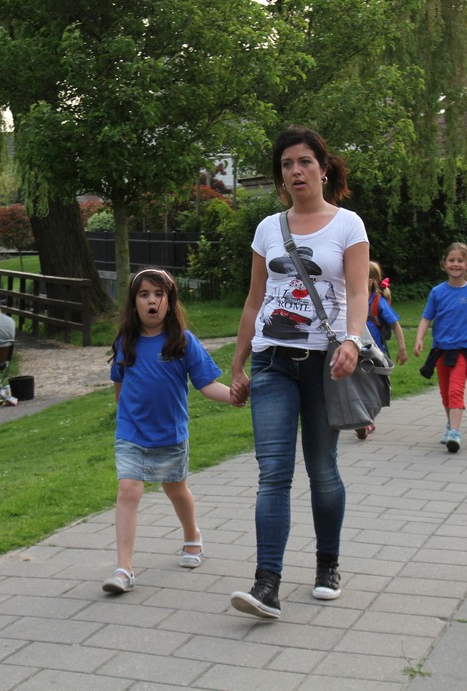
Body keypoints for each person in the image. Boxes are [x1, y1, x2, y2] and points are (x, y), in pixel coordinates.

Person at [228, 126, 369, 620]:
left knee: (322, 468)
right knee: (273, 473)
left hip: (325, 363)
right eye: (287, 164)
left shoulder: (348, 225)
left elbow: (358, 292)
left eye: (305, 161)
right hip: (272, 360)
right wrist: (238, 361)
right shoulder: (268, 229)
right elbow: (255, 299)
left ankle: (328, 564)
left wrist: (353, 340)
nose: (296, 171)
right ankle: (266, 584)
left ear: (323, 168)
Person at [102, 267, 236, 594]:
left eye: (158, 294)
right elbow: (120, 387)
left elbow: (206, 385)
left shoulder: (183, 342)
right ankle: (124, 569)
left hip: (170, 434)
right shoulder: (125, 343)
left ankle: (192, 536)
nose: (152, 301)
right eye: (144, 294)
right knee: (128, 490)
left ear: (170, 301)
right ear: (134, 303)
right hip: (131, 433)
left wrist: (235, 396)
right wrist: (126, 419)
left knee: (176, 490)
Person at [414, 242, 467, 454]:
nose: (455, 264)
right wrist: (419, 339)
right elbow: (426, 318)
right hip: (441, 350)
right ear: (444, 264)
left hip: (463, 351)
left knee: (456, 390)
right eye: (451, 260)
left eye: (460, 260)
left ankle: (455, 433)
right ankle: (450, 425)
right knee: (445, 392)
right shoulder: (437, 292)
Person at [358, 260, 408, 440]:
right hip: (356, 351)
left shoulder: (378, 302)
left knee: (375, 389)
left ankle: (368, 420)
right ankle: (363, 420)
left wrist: (402, 349)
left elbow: (395, 325)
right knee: (360, 386)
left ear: (371, 281)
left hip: (376, 354)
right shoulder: (350, 298)